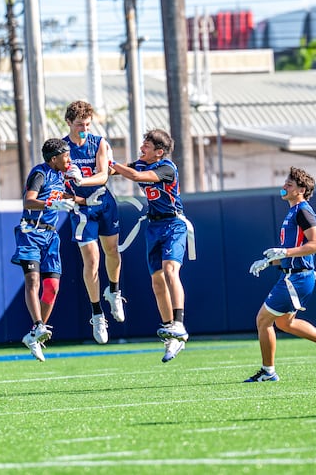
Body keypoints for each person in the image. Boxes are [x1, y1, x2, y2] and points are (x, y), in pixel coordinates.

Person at [245, 166, 316, 382]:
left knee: (263, 320)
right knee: (284, 323)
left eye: (289, 185)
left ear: (301, 190)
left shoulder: (303, 210)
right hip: (294, 275)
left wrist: (285, 251)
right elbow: (292, 250)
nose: (284, 187)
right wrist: (268, 262)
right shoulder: (293, 211)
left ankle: (268, 372)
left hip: (298, 278)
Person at [11, 138, 105, 361]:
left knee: (52, 287)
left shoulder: (61, 175)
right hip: (31, 234)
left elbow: (61, 196)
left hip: (51, 237)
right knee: (33, 281)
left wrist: (86, 201)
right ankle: (39, 324)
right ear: (54, 159)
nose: (69, 159)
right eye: (66, 156)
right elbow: (29, 201)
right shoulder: (40, 173)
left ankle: (34, 335)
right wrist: (51, 205)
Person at [108, 129, 194, 363]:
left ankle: (179, 322)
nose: (141, 148)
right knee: (157, 281)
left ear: (159, 152)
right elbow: (114, 171)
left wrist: (111, 161)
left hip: (173, 224)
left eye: (146, 145)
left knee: (170, 270)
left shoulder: (167, 167)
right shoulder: (141, 163)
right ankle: (170, 334)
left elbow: (135, 177)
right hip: (153, 226)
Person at [61, 100, 125, 345]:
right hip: (81, 207)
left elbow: (102, 174)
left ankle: (115, 291)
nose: (84, 129)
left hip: (104, 203)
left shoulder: (98, 142)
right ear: (69, 123)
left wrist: (82, 179)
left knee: (112, 252)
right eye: (79, 125)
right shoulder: (63, 147)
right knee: (92, 260)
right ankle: (97, 313)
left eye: (87, 124)